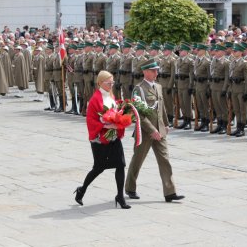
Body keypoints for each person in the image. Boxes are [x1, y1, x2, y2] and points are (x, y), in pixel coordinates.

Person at [125, 59, 185, 203]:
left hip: (160, 130)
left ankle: (170, 192)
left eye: (157, 70)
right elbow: (138, 113)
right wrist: (151, 130)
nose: (156, 73)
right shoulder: (139, 89)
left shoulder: (158, 86)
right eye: (153, 70)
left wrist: (165, 123)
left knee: (165, 160)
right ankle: (130, 187)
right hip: (145, 132)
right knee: (137, 160)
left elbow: (161, 107)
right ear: (145, 72)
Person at [74, 70, 131, 209]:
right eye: (108, 83)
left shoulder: (111, 96)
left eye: (112, 82)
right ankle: (82, 189)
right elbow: (90, 120)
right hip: (100, 139)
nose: (111, 85)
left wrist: (121, 118)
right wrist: (104, 124)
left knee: (120, 165)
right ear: (100, 83)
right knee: (98, 168)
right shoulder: (95, 99)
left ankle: (120, 196)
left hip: (114, 136)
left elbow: (115, 111)